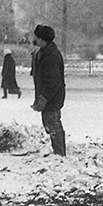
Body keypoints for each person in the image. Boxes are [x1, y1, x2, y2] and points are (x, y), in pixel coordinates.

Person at [31, 24, 66, 156]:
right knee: (52, 124)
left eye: (37, 37)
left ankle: (60, 154)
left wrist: (43, 99)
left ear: (41, 39)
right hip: (51, 97)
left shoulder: (51, 55)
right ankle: (60, 153)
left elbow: (53, 81)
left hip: (52, 98)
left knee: (52, 125)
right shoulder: (45, 52)